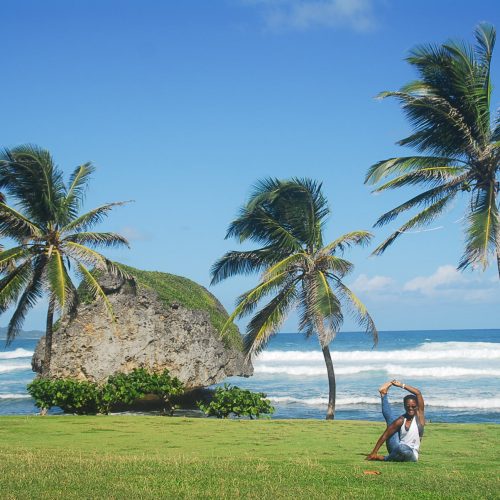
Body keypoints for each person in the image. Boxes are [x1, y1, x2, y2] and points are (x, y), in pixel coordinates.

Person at [366, 379, 425, 462]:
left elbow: (418, 393)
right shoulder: (401, 420)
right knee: (392, 424)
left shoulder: (420, 417)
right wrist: (374, 452)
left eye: (413, 406)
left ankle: (384, 458)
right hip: (396, 447)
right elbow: (385, 435)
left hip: (412, 454)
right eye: (408, 406)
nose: (410, 408)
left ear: (417, 406)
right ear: (404, 406)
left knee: (403, 449)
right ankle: (383, 393)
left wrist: (401, 385)